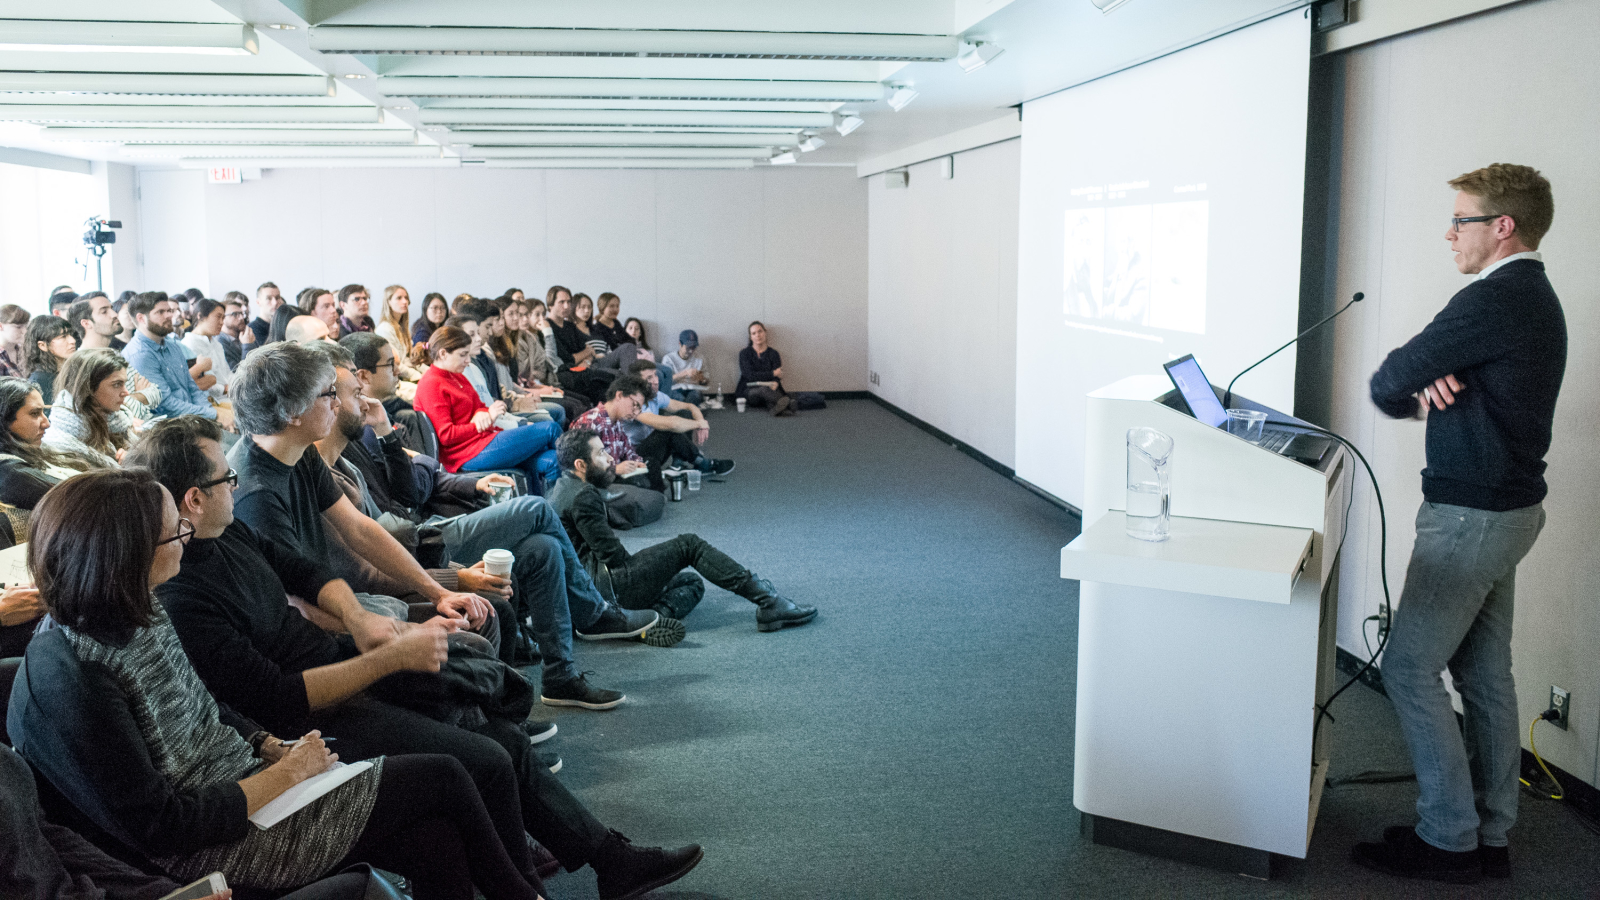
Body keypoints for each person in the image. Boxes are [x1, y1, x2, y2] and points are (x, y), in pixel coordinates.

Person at [5, 469, 553, 900]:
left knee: (439, 842)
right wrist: (287, 773)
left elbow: (203, 703)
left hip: (244, 783)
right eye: (175, 532)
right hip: (214, 839)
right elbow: (162, 826)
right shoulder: (75, 671)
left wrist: (267, 746)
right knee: (447, 775)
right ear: (127, 553)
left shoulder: (136, 606)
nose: (187, 538)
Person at [1353, 165, 1565, 884]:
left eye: (1462, 219)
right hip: (1508, 512)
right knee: (1484, 674)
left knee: (1410, 668)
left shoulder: (1495, 299)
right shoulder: (1533, 298)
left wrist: (1414, 389)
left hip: (1471, 516)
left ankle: (1448, 838)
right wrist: (1427, 387)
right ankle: (1490, 835)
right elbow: (1415, 380)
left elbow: (1388, 379)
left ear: (1501, 227)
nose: (1450, 232)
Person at [340, 332, 665, 690]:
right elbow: (406, 501)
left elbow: (423, 481)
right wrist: (414, 459)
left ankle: (561, 677)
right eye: (390, 364)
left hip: (429, 522)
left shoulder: (373, 428)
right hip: (423, 539)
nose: (400, 370)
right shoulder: (349, 445)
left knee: (544, 546)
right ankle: (593, 612)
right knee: (536, 504)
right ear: (363, 376)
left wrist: (398, 443)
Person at [225, 342, 498, 639]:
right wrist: (401, 633)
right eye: (329, 394)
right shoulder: (256, 496)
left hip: (336, 606)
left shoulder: (298, 449)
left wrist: (439, 593)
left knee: (479, 616)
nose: (337, 404)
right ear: (292, 412)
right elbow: (292, 607)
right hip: (311, 635)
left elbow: (359, 529)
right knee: (470, 637)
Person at [551, 427, 817, 632]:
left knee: (690, 582)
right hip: (605, 588)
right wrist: (655, 564)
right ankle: (769, 601)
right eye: (600, 454)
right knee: (688, 544)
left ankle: (647, 622)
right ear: (580, 465)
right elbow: (613, 556)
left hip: (590, 586)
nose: (609, 458)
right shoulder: (585, 496)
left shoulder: (561, 489)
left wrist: (654, 565)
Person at [414, 326, 563, 490]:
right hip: (466, 453)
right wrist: (478, 424)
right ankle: (583, 479)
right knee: (550, 429)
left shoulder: (456, 376)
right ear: (442, 354)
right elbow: (446, 436)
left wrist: (482, 414)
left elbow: (481, 407)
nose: (468, 360)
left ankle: (549, 513)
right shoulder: (431, 384)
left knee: (553, 460)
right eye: (463, 355)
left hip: (482, 441)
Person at [123, 292, 234, 432]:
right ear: (141, 318)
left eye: (169, 310)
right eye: (161, 312)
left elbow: (192, 388)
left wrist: (210, 416)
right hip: (167, 430)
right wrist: (214, 415)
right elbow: (166, 405)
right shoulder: (140, 355)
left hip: (191, 420)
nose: (169, 315)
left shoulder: (172, 346)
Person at [623, 360, 733, 480]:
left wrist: (703, 423)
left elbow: (690, 407)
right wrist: (697, 424)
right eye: (649, 377)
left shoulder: (654, 395)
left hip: (653, 452)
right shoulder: (633, 403)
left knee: (684, 413)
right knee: (667, 428)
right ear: (636, 383)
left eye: (655, 375)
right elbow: (670, 424)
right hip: (633, 460)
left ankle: (677, 464)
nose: (656, 380)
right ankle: (702, 463)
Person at [0, 378, 91, 508]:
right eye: (35, 413)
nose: (46, 424)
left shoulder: (38, 449)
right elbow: (85, 499)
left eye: (43, 412)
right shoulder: (8, 472)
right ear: (4, 419)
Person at [43, 348, 135, 467]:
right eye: (117, 384)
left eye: (124, 383)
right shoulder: (61, 445)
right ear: (88, 388)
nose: (126, 392)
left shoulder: (121, 423)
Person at [570, 376, 653, 485]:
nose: (636, 413)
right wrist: (615, 469)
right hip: (598, 482)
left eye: (639, 409)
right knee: (646, 486)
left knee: (652, 467)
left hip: (615, 476)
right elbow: (583, 466)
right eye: (635, 405)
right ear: (619, 395)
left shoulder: (618, 421)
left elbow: (627, 450)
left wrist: (636, 462)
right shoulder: (590, 422)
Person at [182, 298, 235, 400]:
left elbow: (227, 373)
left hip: (229, 395)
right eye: (218, 317)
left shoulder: (217, 344)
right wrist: (223, 389)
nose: (221, 322)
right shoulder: (189, 344)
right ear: (200, 316)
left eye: (223, 318)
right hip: (211, 400)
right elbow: (197, 382)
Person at [738, 320, 793, 415]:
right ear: (751, 337)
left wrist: (775, 381)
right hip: (750, 391)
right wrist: (772, 373)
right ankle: (789, 405)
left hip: (770, 389)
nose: (758, 335)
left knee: (769, 392)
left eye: (760, 331)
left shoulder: (774, 354)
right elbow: (749, 376)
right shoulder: (744, 354)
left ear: (765, 332)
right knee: (764, 390)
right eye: (754, 333)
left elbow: (778, 374)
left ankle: (775, 409)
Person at [22, 315, 77, 402]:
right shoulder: (39, 380)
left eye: (70, 335)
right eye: (63, 337)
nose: (72, 341)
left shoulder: (71, 369)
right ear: (43, 345)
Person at [659, 329, 711, 404]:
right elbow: (665, 382)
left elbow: (706, 382)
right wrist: (684, 373)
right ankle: (688, 410)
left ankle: (686, 410)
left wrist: (700, 378)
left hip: (693, 389)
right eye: (688, 348)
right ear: (680, 344)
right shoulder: (669, 359)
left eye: (693, 348)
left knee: (695, 395)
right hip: (675, 389)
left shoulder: (700, 358)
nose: (691, 351)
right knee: (676, 397)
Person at [218, 295, 250, 369]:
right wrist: (247, 345)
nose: (241, 318)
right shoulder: (220, 343)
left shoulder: (244, 335)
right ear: (223, 318)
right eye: (235, 314)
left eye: (241, 314)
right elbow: (239, 374)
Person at [0, 304, 31, 377]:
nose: (25, 331)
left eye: (26, 326)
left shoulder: (25, 352)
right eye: (18, 327)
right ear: (1, 326)